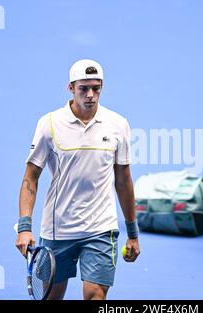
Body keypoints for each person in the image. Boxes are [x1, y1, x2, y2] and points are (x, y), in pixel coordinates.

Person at [15, 59, 140, 300]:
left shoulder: (118, 124)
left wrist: (133, 233)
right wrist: (24, 228)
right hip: (57, 230)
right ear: (71, 88)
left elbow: (123, 180)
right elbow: (31, 178)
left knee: (95, 296)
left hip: (101, 228)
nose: (91, 95)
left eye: (97, 88)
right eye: (84, 88)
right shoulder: (49, 124)